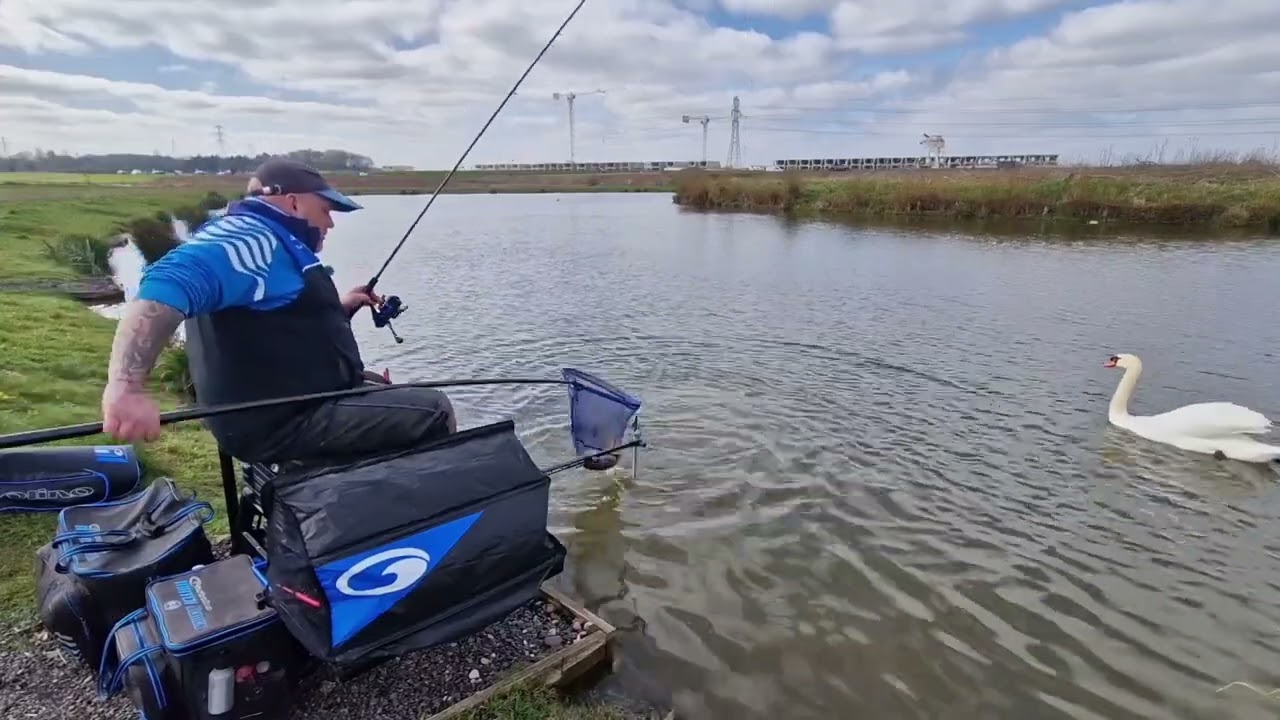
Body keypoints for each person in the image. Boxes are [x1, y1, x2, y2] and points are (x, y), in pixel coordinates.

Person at [100, 158, 456, 464]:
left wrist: (341, 307)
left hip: (281, 406)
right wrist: (126, 387)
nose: (330, 224)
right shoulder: (249, 239)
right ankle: (426, 516)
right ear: (293, 203)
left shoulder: (265, 240)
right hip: (279, 423)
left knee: (379, 386)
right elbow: (164, 286)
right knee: (433, 409)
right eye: (326, 211)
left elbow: (272, 327)